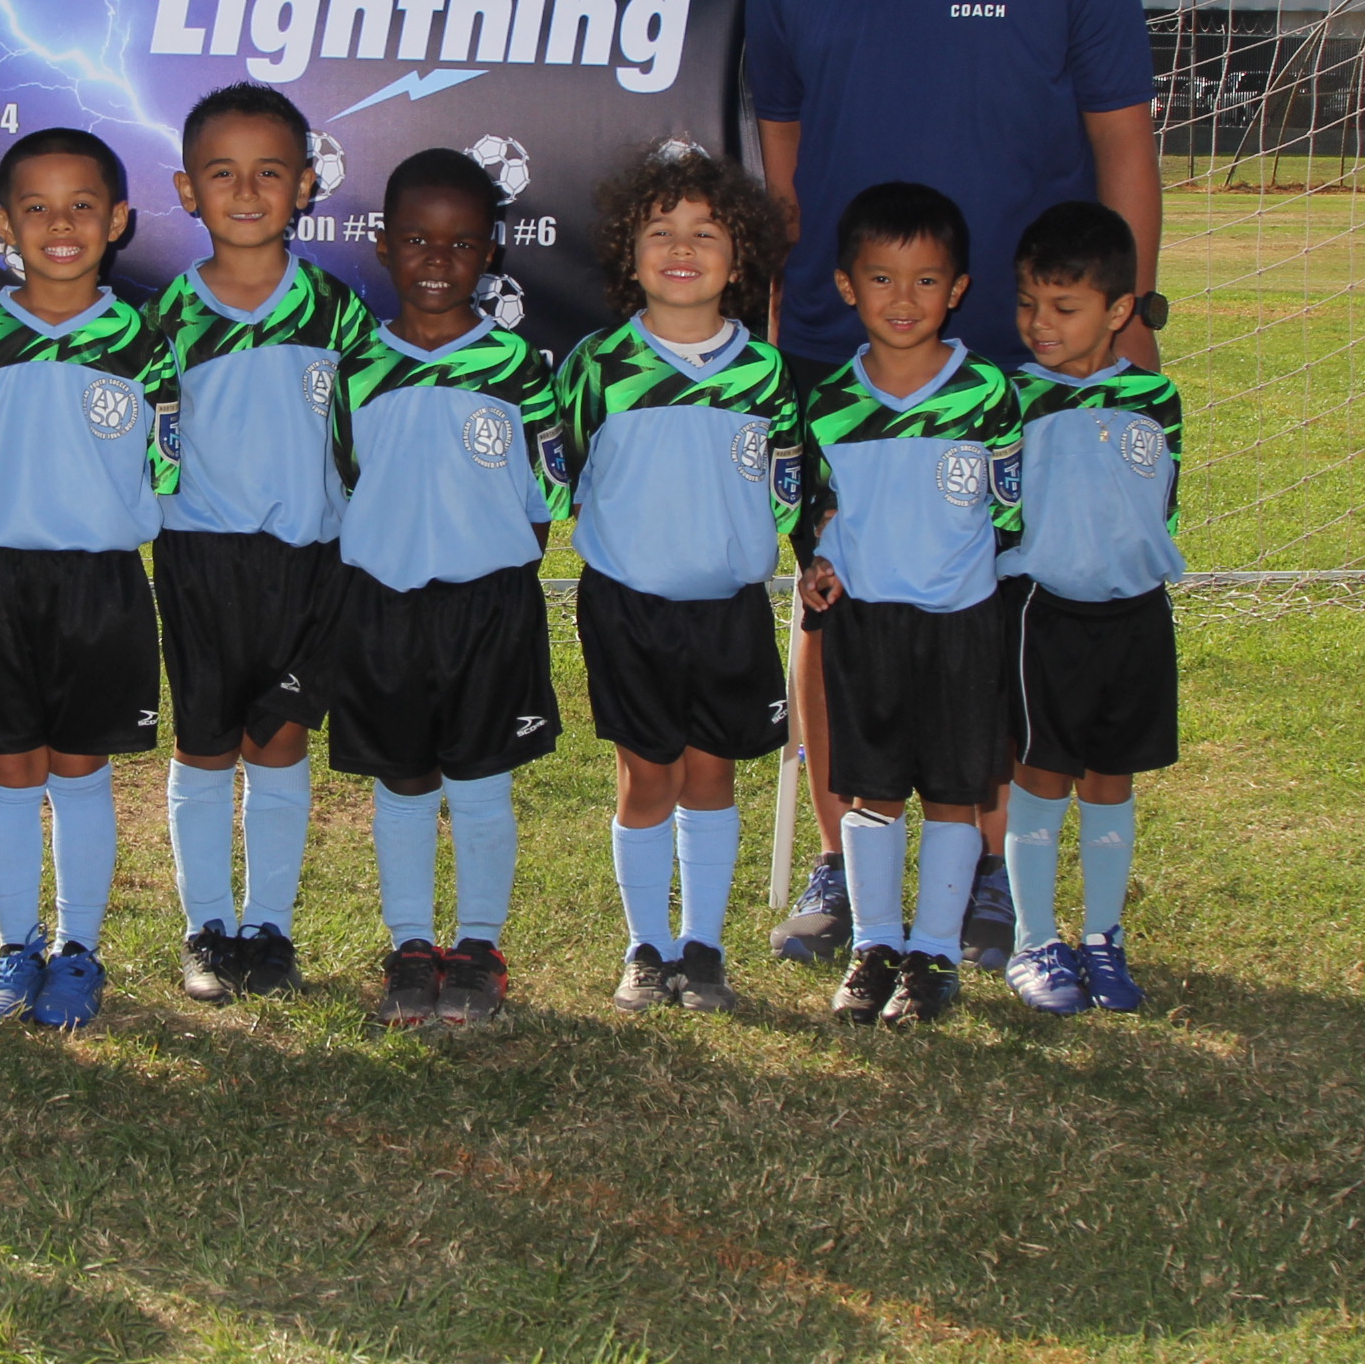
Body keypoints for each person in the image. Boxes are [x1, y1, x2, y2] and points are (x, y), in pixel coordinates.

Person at [749, 0, 1163, 973]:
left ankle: (979, 867)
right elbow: (782, 157)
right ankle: (842, 864)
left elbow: (1124, 139)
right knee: (837, 602)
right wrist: (779, 323)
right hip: (843, 351)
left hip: (1022, 353)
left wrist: (1130, 317)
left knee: (993, 606)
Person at [0, 127, 174, 1030]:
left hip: (101, 584)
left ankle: (78, 948)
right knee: (10, 765)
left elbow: (166, 464)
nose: (59, 225)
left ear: (118, 220)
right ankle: (14, 944)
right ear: (3, 224)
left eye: (81, 206)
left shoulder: (145, 344)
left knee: (80, 765)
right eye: (37, 207)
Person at [554, 146, 801, 1019]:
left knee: (712, 774)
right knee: (648, 776)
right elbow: (562, 475)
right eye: (660, 231)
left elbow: (790, 488)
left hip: (729, 609)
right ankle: (645, 947)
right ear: (629, 252)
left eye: (706, 232)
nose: (682, 248)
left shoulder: (766, 375)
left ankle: (703, 947)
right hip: (628, 608)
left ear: (741, 257)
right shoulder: (596, 366)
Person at [330, 149, 570, 1032]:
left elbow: (543, 500)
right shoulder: (354, 369)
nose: (438, 260)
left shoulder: (517, 367)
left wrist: (488, 566)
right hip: (382, 607)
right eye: (417, 240)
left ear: (491, 253)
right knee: (402, 781)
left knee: (478, 781)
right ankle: (408, 945)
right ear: (384, 244)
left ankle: (477, 947)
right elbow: (343, 483)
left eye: (462, 243)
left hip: (488, 608)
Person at [149, 85, 375, 1004]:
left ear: (307, 186)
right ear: (186, 189)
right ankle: (206, 927)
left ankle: (270, 927)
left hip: (308, 562)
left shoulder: (337, 312)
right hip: (200, 559)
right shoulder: (166, 319)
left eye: (269, 172)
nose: (246, 192)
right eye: (222, 173)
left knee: (279, 739)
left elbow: (360, 444)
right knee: (205, 743)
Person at [791, 181, 1024, 1029]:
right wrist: (815, 565)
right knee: (874, 790)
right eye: (882, 278)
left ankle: (933, 956)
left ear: (957, 289)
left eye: (926, 280)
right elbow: (811, 510)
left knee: (956, 792)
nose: (904, 298)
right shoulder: (829, 405)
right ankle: (874, 947)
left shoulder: (989, 393)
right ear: (847, 285)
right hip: (867, 626)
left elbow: (1011, 510)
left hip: (962, 624)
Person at [996, 199, 1185, 1017]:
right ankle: (1035, 939)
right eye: (1028, 303)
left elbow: (1162, 505)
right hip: (1043, 615)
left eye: (1064, 307)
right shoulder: (1008, 398)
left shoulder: (1157, 399)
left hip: (1136, 616)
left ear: (1117, 310)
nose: (1040, 324)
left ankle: (1103, 936)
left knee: (1113, 777)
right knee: (1041, 775)